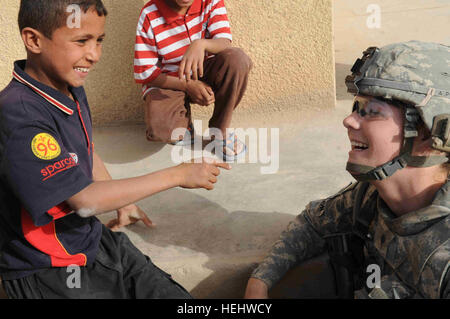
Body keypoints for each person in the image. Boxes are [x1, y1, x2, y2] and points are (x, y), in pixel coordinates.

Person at [0, 0, 230, 299]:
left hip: (95, 243)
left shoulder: (67, 88)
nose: (94, 55)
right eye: (81, 41)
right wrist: (179, 174)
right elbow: (84, 202)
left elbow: (84, 148)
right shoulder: (18, 116)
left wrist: (122, 203)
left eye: (99, 41)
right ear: (34, 40)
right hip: (51, 269)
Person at [244, 41, 450, 299]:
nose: (349, 120)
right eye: (356, 108)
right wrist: (259, 282)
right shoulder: (369, 196)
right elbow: (312, 222)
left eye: (372, 112)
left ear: (429, 132)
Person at [134, 0, 252, 161]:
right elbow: (145, 72)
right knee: (160, 128)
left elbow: (224, 41)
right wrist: (187, 85)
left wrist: (200, 44)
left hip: (205, 72)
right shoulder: (150, 14)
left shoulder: (210, 2)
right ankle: (184, 124)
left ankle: (219, 131)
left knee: (237, 59)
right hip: (170, 81)